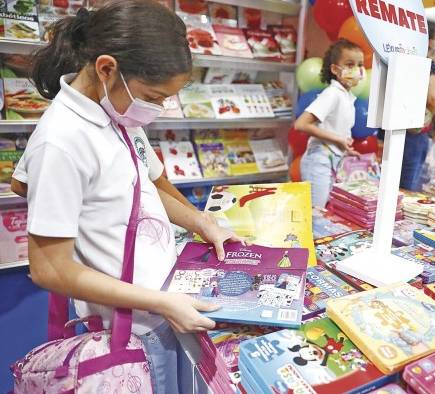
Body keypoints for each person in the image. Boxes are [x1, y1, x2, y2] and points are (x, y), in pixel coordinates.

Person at [11, 1, 242, 392]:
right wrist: (161, 303)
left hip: (162, 308)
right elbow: (49, 269)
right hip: (133, 327)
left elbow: (146, 186)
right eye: (154, 96)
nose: (160, 108)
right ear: (106, 69)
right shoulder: (63, 140)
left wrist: (201, 221)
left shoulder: (117, 114)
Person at [294, 39, 364, 207]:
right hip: (319, 160)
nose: (356, 70)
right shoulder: (332, 94)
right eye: (349, 64)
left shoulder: (346, 96)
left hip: (332, 160)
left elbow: (336, 129)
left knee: (325, 213)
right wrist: (337, 140)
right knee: (316, 214)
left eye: (360, 64)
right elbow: (301, 124)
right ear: (334, 69)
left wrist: (345, 148)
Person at [400, 20, 435, 191]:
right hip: (416, 132)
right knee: (407, 186)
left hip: (397, 127)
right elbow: (432, 99)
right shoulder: (430, 66)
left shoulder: (404, 60)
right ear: (430, 41)